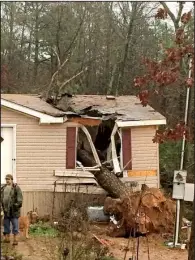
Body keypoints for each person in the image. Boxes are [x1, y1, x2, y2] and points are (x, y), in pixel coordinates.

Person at [1, 174, 23, 245]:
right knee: (6, 225)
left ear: (12, 179)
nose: (7, 180)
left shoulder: (16, 188)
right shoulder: (3, 188)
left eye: (9, 179)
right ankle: (7, 238)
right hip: (5, 210)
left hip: (13, 211)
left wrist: (15, 206)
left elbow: (20, 200)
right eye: (6, 179)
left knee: (15, 225)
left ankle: (15, 239)